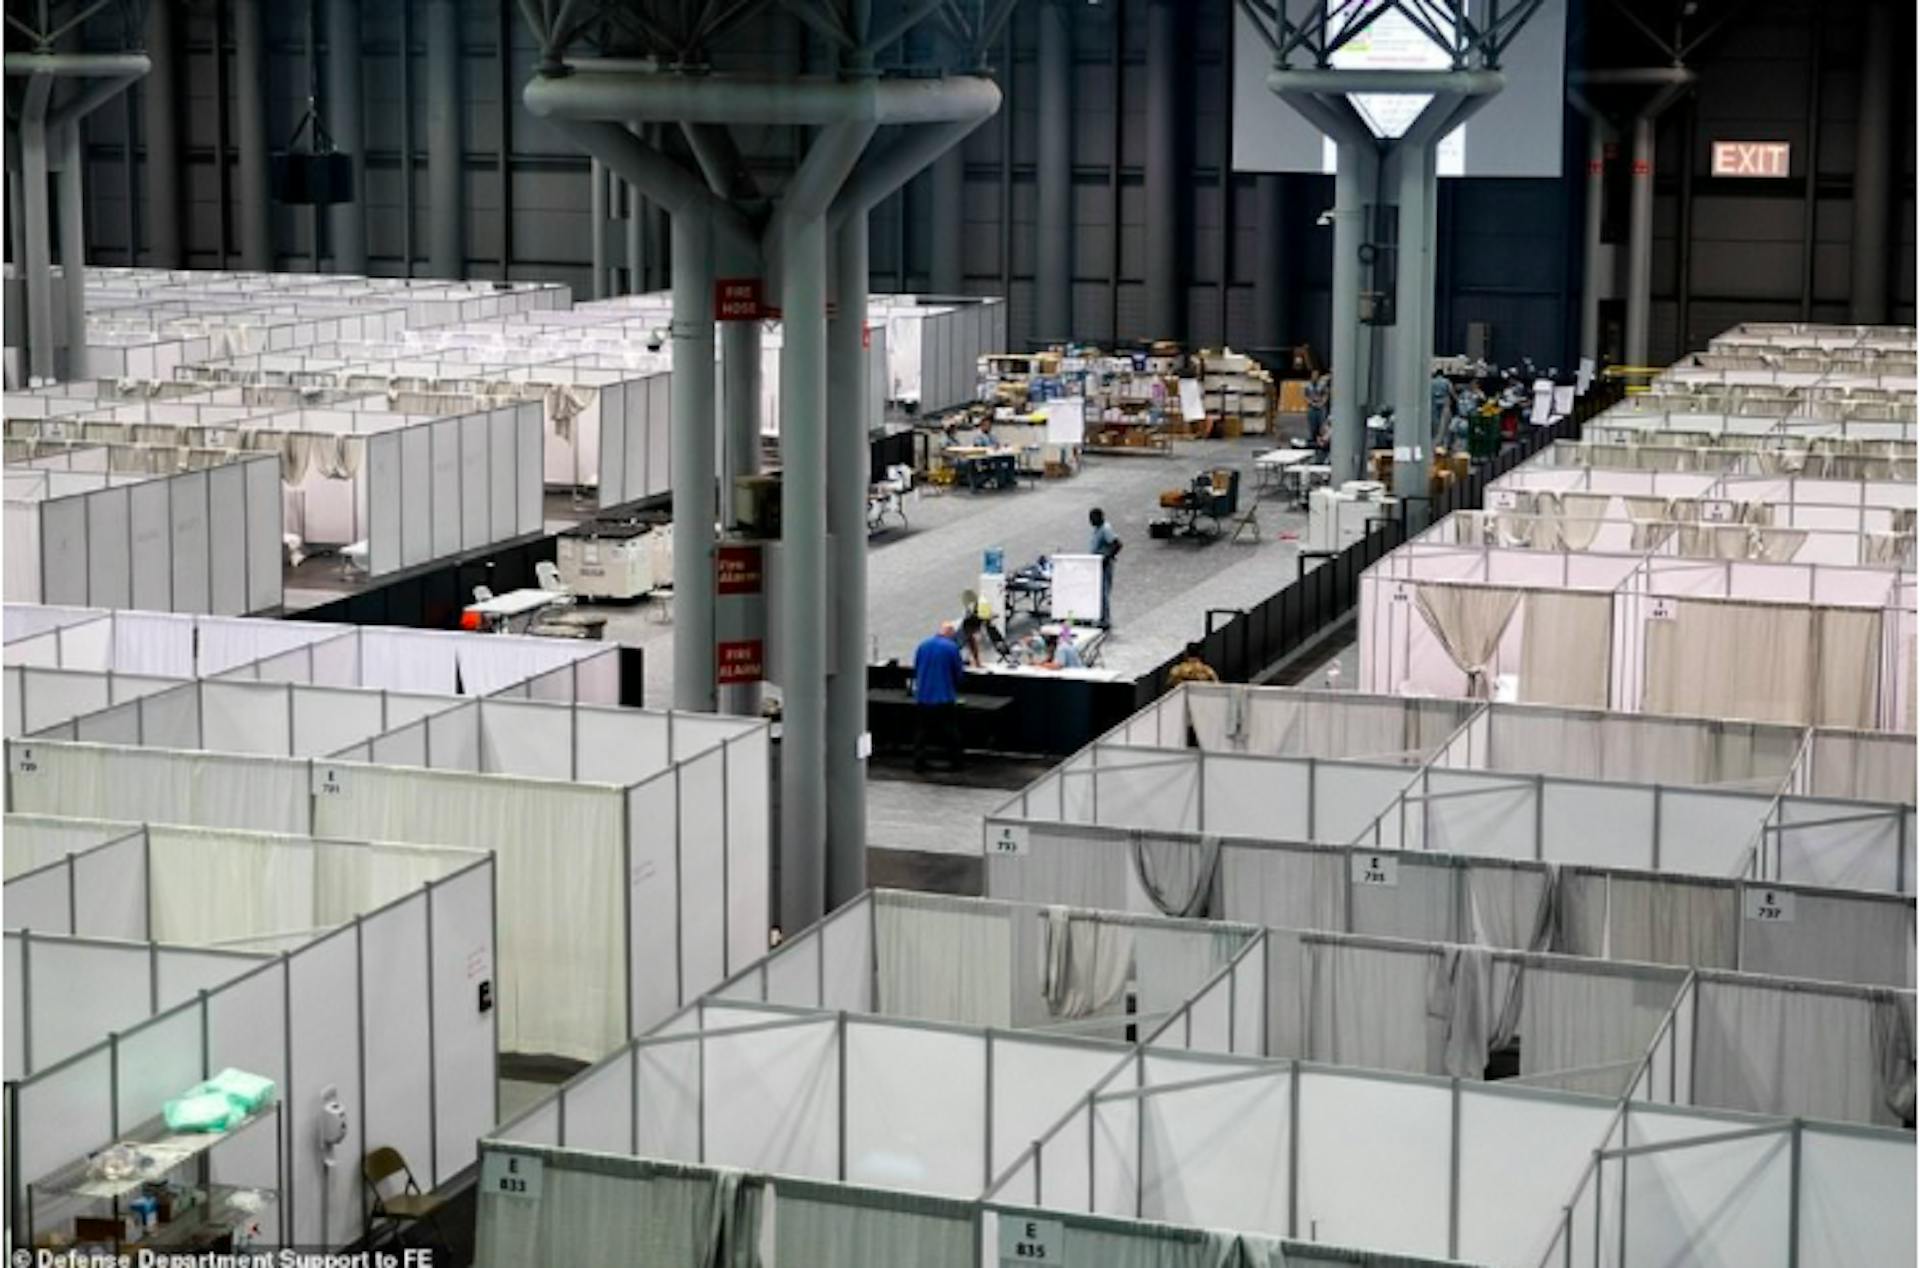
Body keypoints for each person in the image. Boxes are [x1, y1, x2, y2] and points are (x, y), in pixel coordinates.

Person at [911, 621, 967, 773]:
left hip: (923, 697)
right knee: (951, 730)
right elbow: (958, 673)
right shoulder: (951, 648)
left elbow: (916, 669)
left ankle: (919, 762)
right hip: (944, 697)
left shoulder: (922, 645)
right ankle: (956, 762)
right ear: (951, 634)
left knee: (922, 731)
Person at [1088, 507, 1121, 629]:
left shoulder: (1105, 529)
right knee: (1099, 591)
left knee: (1103, 592)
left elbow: (1117, 544)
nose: (1090, 521)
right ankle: (1100, 616)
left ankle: (1105, 620)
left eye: (1092, 518)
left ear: (1100, 517)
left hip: (1104, 565)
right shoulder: (1097, 529)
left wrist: (1106, 557)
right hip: (1097, 564)